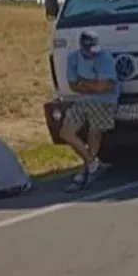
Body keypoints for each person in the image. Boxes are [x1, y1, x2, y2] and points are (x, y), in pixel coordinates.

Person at [59, 31, 121, 192]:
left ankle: (87, 169)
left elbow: (104, 87)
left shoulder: (104, 58)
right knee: (66, 132)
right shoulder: (73, 58)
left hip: (105, 101)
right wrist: (95, 85)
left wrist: (84, 82)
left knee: (95, 131)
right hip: (84, 99)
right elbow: (73, 85)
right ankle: (92, 164)